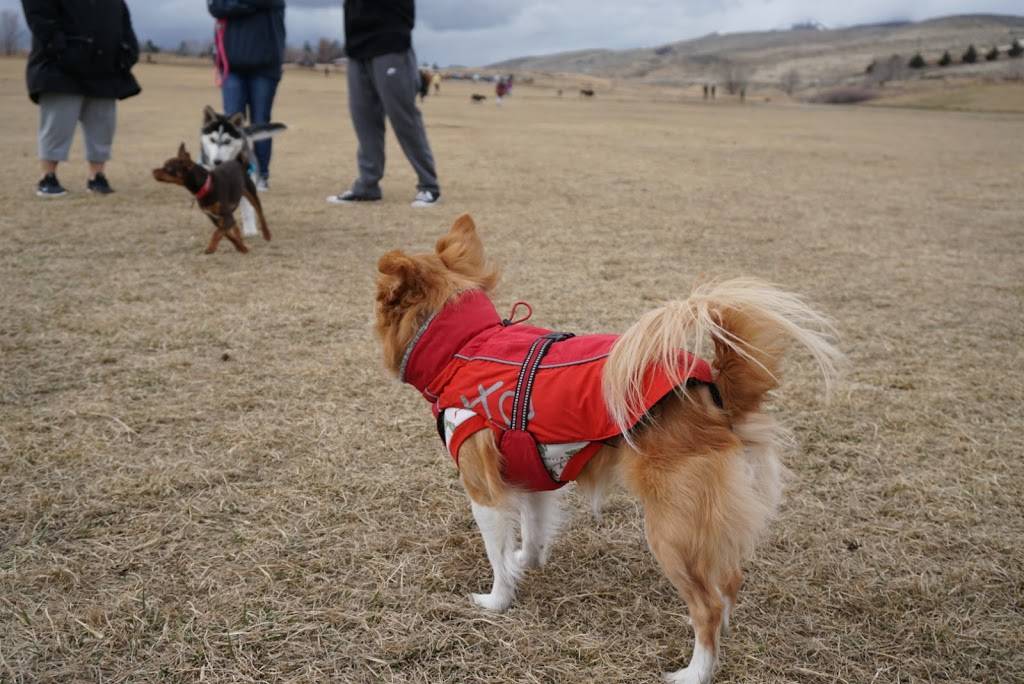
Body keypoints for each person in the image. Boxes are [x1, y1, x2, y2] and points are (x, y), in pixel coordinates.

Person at [22, 0, 141, 197]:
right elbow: (38, 13)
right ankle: (48, 177)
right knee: (57, 123)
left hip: (104, 67)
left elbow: (123, 21)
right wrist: (59, 47)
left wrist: (128, 51)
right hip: (60, 68)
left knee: (103, 126)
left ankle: (97, 177)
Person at [328, 0, 440, 207]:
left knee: (404, 118)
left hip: (391, 43)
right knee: (364, 119)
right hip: (356, 46)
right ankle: (367, 186)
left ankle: (428, 185)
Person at [208, 0, 286, 192]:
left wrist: (237, 5)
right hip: (232, 65)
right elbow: (216, 6)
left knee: (261, 120)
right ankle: (233, 173)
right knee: (232, 123)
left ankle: (261, 175)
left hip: (265, 66)